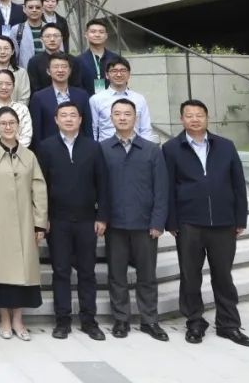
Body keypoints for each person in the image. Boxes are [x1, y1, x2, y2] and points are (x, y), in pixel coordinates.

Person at [163, 100, 249, 347]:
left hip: (224, 223)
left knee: (223, 276)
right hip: (189, 222)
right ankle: (195, 322)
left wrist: (240, 218)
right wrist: (171, 221)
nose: (194, 119)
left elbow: (238, 183)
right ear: (181, 119)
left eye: (199, 115)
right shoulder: (171, 148)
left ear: (207, 118)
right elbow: (167, 187)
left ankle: (228, 325)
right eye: (189, 115)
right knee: (190, 276)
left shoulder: (225, 146)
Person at [34, 102, 109, 341]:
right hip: (58, 221)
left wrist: (102, 216)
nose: (68, 119)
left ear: (80, 120)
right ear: (56, 120)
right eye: (63, 115)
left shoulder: (93, 147)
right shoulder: (46, 147)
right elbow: (40, 186)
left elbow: (103, 183)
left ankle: (89, 320)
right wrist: (43, 218)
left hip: (87, 220)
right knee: (61, 271)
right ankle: (62, 320)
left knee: (87, 271)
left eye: (73, 115)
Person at [0, 106, 48, 341]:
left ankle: (18, 319)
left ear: (18, 125)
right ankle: (4, 318)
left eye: (11, 123)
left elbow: (39, 191)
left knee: (23, 274)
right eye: (3, 123)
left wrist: (39, 224)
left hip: (25, 225)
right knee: (0, 273)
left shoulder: (29, 156)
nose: (8, 127)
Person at [100, 98, 169, 342]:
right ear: (111, 118)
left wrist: (158, 222)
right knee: (117, 275)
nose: (122, 118)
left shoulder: (151, 150)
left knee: (147, 275)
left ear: (136, 118)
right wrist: (102, 218)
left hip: (144, 224)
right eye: (117, 114)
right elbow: (99, 189)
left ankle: (150, 320)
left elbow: (161, 188)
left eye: (127, 114)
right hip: (115, 224)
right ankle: (121, 319)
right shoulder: (103, 149)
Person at [30, 52, 93, 143]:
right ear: (48, 71)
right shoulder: (39, 97)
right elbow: (37, 131)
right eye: (56, 67)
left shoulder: (82, 95)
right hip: (50, 147)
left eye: (64, 66)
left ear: (70, 71)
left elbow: (88, 127)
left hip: (79, 146)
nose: (60, 70)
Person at [90, 57, 155, 142]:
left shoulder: (139, 99)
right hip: (106, 148)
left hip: (135, 147)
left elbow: (146, 129)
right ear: (107, 75)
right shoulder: (96, 99)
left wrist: (145, 148)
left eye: (123, 71)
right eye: (114, 71)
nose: (119, 74)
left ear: (129, 74)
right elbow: (93, 130)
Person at [0, 70, 33, 148]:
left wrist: (14, 150)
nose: (4, 87)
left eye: (8, 84)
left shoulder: (23, 109)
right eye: (0, 83)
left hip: (20, 153)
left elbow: (26, 138)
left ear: (13, 86)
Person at [27, 23, 82, 93]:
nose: (52, 39)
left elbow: (77, 85)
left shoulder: (73, 60)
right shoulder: (34, 62)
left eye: (56, 36)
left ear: (62, 38)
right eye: (48, 36)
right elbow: (34, 88)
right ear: (41, 39)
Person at [78, 19, 121, 96]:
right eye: (93, 32)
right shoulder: (78, 60)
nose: (97, 35)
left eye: (101, 32)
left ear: (106, 36)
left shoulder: (116, 58)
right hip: (87, 101)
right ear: (86, 35)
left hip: (112, 101)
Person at [0, 36, 30, 104]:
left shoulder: (22, 73)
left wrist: (12, 110)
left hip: (17, 110)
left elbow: (25, 98)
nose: (2, 52)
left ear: (12, 51)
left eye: (6, 48)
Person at [3, 0, 44, 69]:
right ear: (24, 9)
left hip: (49, 72)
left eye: (38, 7)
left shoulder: (51, 29)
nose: (34, 10)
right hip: (25, 72)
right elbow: (12, 56)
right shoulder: (16, 30)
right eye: (30, 7)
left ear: (42, 9)